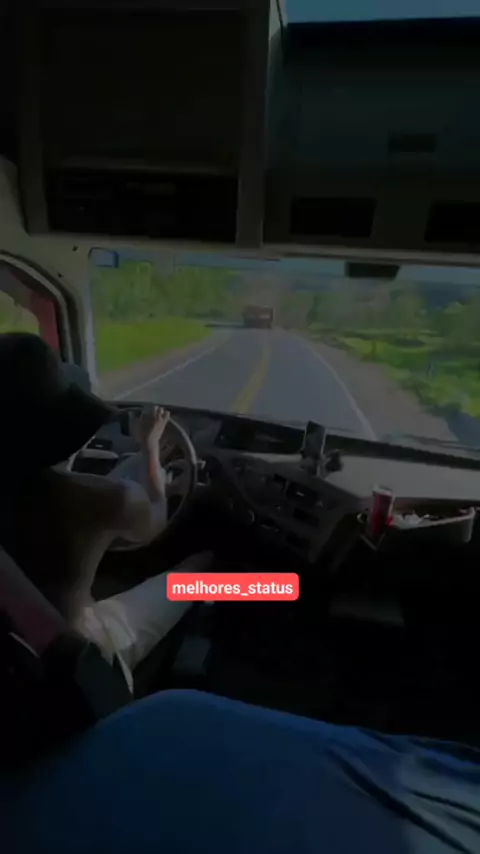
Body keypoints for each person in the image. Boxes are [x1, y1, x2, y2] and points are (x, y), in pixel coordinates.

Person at [0, 332, 211, 692]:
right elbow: (156, 520)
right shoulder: (101, 500)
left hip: (14, 647)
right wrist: (149, 450)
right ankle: (271, 590)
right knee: (199, 568)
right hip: (76, 654)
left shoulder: (82, 495)